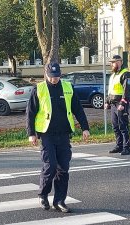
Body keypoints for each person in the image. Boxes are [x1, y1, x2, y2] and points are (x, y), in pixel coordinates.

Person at [26, 62, 90, 213]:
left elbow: (77, 109)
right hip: (47, 134)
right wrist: (31, 134)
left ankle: (60, 200)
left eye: (57, 76)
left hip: (64, 134)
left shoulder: (68, 87)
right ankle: (43, 195)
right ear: (46, 75)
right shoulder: (39, 89)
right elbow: (30, 113)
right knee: (50, 166)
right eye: (52, 77)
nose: (54, 79)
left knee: (63, 169)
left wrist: (85, 128)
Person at [105, 55, 130, 155]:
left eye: (114, 62)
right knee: (115, 126)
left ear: (120, 62)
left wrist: (122, 102)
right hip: (113, 104)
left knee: (123, 126)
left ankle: (127, 147)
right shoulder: (113, 75)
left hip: (121, 104)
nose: (112, 64)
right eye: (111, 62)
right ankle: (119, 146)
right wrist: (107, 101)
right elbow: (111, 90)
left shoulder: (126, 74)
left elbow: (127, 90)